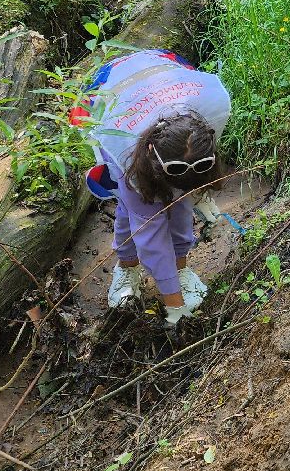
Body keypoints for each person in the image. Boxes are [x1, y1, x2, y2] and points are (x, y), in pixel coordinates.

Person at [76, 49, 231, 325]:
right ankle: (127, 267)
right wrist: (174, 306)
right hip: (106, 96)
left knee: (179, 199)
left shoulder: (207, 115)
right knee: (134, 205)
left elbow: (191, 176)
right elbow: (151, 239)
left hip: (164, 70)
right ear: (150, 154)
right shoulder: (126, 150)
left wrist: (197, 194)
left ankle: (180, 269)